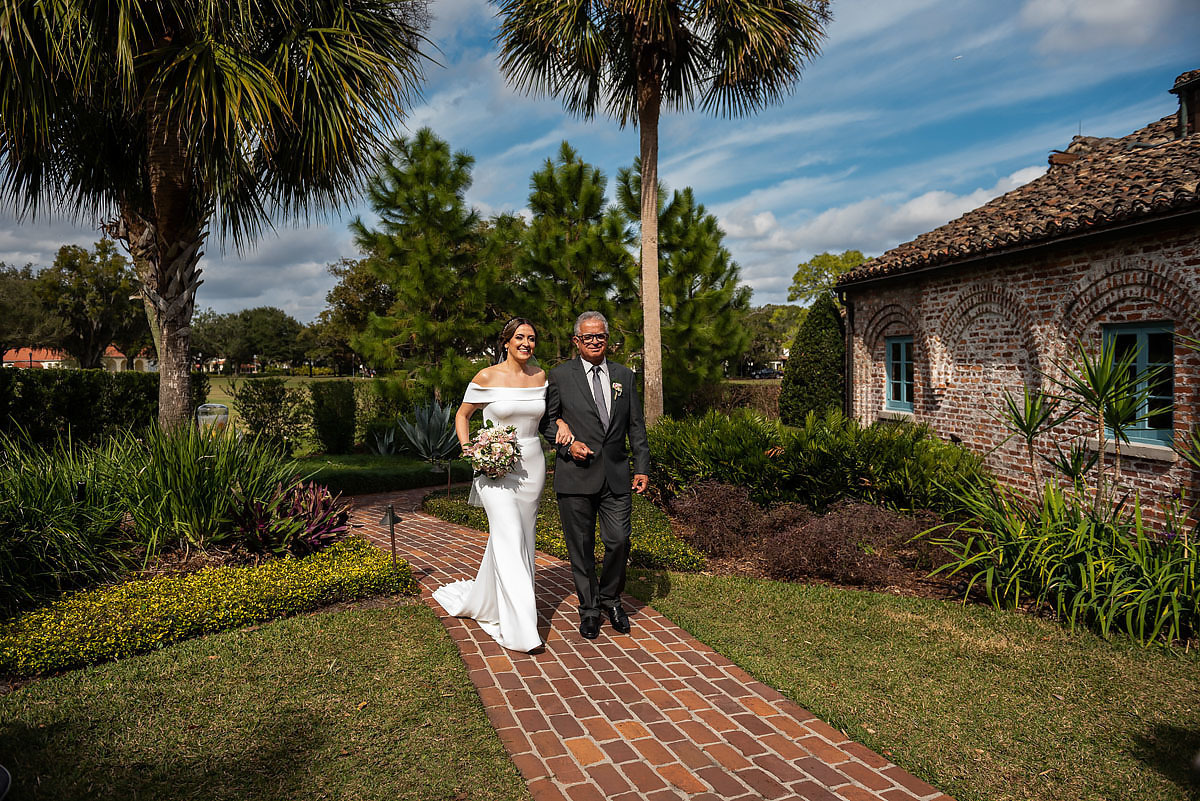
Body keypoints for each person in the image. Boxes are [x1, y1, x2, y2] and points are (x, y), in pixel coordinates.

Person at [431, 318, 571, 652]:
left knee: (522, 540)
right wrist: (471, 451)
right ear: (506, 342)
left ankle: (491, 601)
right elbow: (462, 416)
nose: (527, 343)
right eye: (520, 337)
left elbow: (549, 417)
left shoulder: (540, 377)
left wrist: (563, 422)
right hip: (494, 471)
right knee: (508, 537)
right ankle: (521, 628)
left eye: (532, 338)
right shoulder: (486, 377)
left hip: (532, 467)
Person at [540, 311, 650, 640]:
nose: (594, 341)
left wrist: (642, 467)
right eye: (587, 337)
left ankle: (611, 598)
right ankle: (589, 610)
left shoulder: (624, 376)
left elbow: (636, 426)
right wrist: (566, 447)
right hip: (575, 476)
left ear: (607, 340)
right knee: (581, 548)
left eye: (599, 336)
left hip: (616, 476)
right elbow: (547, 422)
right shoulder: (559, 376)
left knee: (618, 540)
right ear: (576, 341)